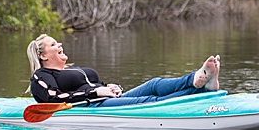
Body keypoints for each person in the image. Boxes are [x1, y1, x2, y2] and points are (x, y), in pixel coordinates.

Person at [27, 34, 221, 107]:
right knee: (148, 101)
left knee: (154, 84)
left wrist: (107, 87)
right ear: (43, 56)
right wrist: (95, 92)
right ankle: (200, 89)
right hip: (93, 106)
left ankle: (197, 80)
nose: (59, 44)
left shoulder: (73, 68)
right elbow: (53, 98)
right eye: (53, 44)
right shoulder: (41, 76)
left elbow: (92, 86)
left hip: (105, 98)